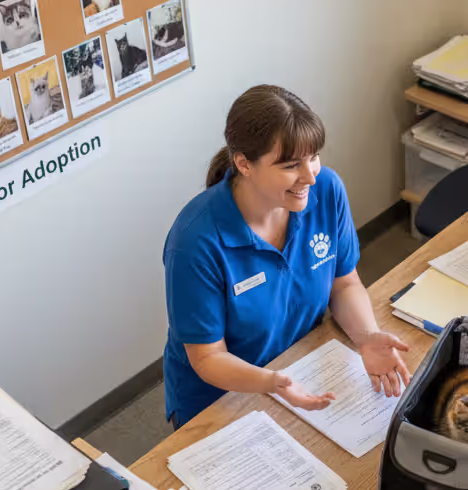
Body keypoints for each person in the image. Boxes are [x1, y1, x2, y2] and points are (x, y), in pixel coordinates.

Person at [162, 85, 411, 428]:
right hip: (219, 402)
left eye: (313, 157)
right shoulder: (195, 242)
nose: (310, 175)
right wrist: (272, 383)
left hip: (302, 368)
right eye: (292, 165)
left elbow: (344, 283)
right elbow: (207, 357)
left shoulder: (326, 189)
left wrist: (366, 337)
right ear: (244, 164)